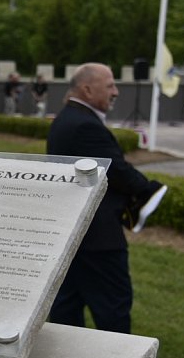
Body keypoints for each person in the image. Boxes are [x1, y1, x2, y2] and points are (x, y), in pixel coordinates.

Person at [47, 63, 166, 335]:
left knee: (68, 306)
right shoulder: (84, 125)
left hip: (73, 232)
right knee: (112, 308)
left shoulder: (67, 118)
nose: (116, 91)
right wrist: (148, 189)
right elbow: (115, 169)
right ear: (87, 89)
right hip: (98, 239)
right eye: (110, 85)